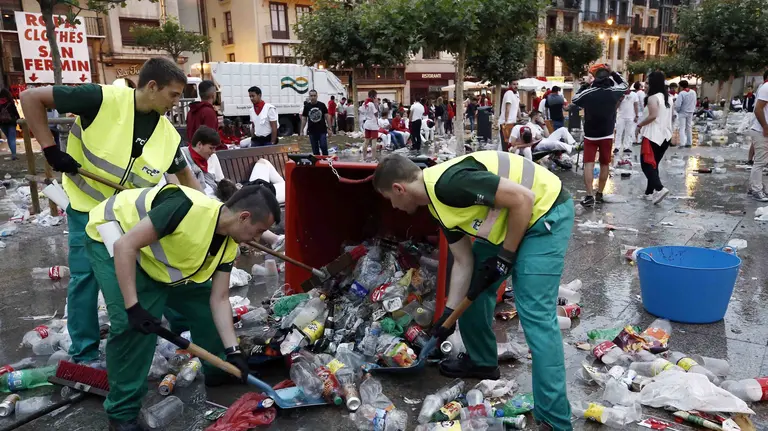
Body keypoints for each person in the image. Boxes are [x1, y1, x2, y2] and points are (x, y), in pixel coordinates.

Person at [19, 57, 203, 369]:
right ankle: (85, 352)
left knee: (157, 266)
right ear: (152, 86)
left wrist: (205, 214)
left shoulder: (168, 133)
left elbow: (185, 177)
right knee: (85, 278)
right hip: (86, 209)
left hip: (127, 215)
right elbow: (30, 98)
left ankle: (179, 328)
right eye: (172, 94)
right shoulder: (101, 99)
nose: (175, 103)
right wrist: (50, 150)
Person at [373, 152, 574, 431]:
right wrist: (447, 318)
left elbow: (523, 199)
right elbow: (464, 262)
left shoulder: (449, 184)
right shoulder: (436, 205)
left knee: (536, 317)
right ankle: (482, 361)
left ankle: (555, 420)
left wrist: (505, 257)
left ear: (399, 188)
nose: (393, 206)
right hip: (511, 220)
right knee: (474, 285)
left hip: (544, 212)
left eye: (389, 199)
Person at [85, 182, 279, 430]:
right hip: (112, 235)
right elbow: (124, 245)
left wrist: (233, 352)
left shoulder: (229, 243)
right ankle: (122, 412)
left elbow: (218, 299)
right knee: (131, 327)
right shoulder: (185, 207)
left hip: (153, 259)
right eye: (259, 230)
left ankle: (218, 368)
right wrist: (133, 307)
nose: (258, 238)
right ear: (244, 217)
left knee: (203, 306)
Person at [572, 64, 627, 207]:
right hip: (607, 133)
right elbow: (625, 85)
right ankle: (600, 194)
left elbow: (575, 99)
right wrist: (613, 72)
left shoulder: (589, 92)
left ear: (595, 79)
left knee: (588, 164)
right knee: (604, 164)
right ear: (608, 77)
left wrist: (585, 85)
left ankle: (589, 195)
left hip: (591, 134)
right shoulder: (614, 91)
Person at [637, 71, 673, 204]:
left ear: (653, 83)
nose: (645, 85)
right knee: (654, 164)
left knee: (646, 165)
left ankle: (660, 188)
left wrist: (639, 126)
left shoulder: (653, 98)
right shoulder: (668, 98)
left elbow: (653, 116)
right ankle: (649, 192)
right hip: (665, 136)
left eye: (647, 82)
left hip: (652, 136)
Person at [508, 110, 576, 159]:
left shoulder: (538, 125)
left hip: (545, 140)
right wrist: (540, 136)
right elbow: (535, 138)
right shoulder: (529, 125)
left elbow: (547, 136)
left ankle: (574, 144)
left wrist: (543, 124)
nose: (542, 117)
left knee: (563, 129)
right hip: (537, 144)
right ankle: (573, 148)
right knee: (555, 143)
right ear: (535, 117)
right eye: (540, 116)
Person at [747, 70, 768, 202]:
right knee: (760, 161)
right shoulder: (766, 87)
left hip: (763, 129)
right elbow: (758, 109)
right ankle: (756, 190)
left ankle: (754, 186)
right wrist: (765, 126)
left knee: (762, 161)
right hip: (761, 130)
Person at [300, 89, 332, 156]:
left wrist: (330, 128)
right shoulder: (307, 106)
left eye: (314, 95)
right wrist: (301, 130)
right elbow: (304, 119)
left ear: (317, 96)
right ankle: (318, 164)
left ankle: (326, 162)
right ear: (309, 96)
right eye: (311, 96)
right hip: (312, 131)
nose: (313, 97)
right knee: (315, 150)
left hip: (322, 130)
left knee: (323, 146)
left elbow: (327, 117)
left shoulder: (322, 105)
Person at [615, 87, 639, 154]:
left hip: (631, 116)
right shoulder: (619, 94)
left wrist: (636, 115)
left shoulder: (634, 94)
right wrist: (620, 100)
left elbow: (636, 105)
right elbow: (615, 107)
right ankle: (617, 147)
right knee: (619, 132)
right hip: (621, 116)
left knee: (628, 133)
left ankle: (626, 147)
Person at [674, 80, 697, 148]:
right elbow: (695, 102)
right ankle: (689, 143)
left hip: (683, 112)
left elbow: (678, 105)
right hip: (691, 111)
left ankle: (682, 143)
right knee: (689, 127)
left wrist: (677, 111)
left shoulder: (682, 93)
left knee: (682, 128)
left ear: (681, 86)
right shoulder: (693, 92)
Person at [499, 81, 520, 147]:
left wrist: (520, 118)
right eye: (514, 84)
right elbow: (507, 108)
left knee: (509, 143)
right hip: (506, 122)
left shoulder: (517, 93)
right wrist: (506, 121)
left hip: (512, 122)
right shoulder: (509, 93)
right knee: (504, 143)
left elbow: (517, 107)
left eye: (517, 84)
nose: (516, 86)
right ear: (510, 85)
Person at [0, 88, 19, 160]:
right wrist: (18, 118)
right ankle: (14, 155)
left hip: (2, 123)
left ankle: (12, 153)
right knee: (12, 139)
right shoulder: (10, 102)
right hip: (11, 122)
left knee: (8, 138)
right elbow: (15, 112)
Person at [361, 90, 380, 156]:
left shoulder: (364, 103)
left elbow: (362, 112)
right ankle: (373, 158)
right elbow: (376, 114)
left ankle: (364, 157)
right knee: (374, 142)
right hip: (373, 124)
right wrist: (376, 104)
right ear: (374, 96)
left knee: (366, 141)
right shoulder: (372, 104)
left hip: (367, 123)